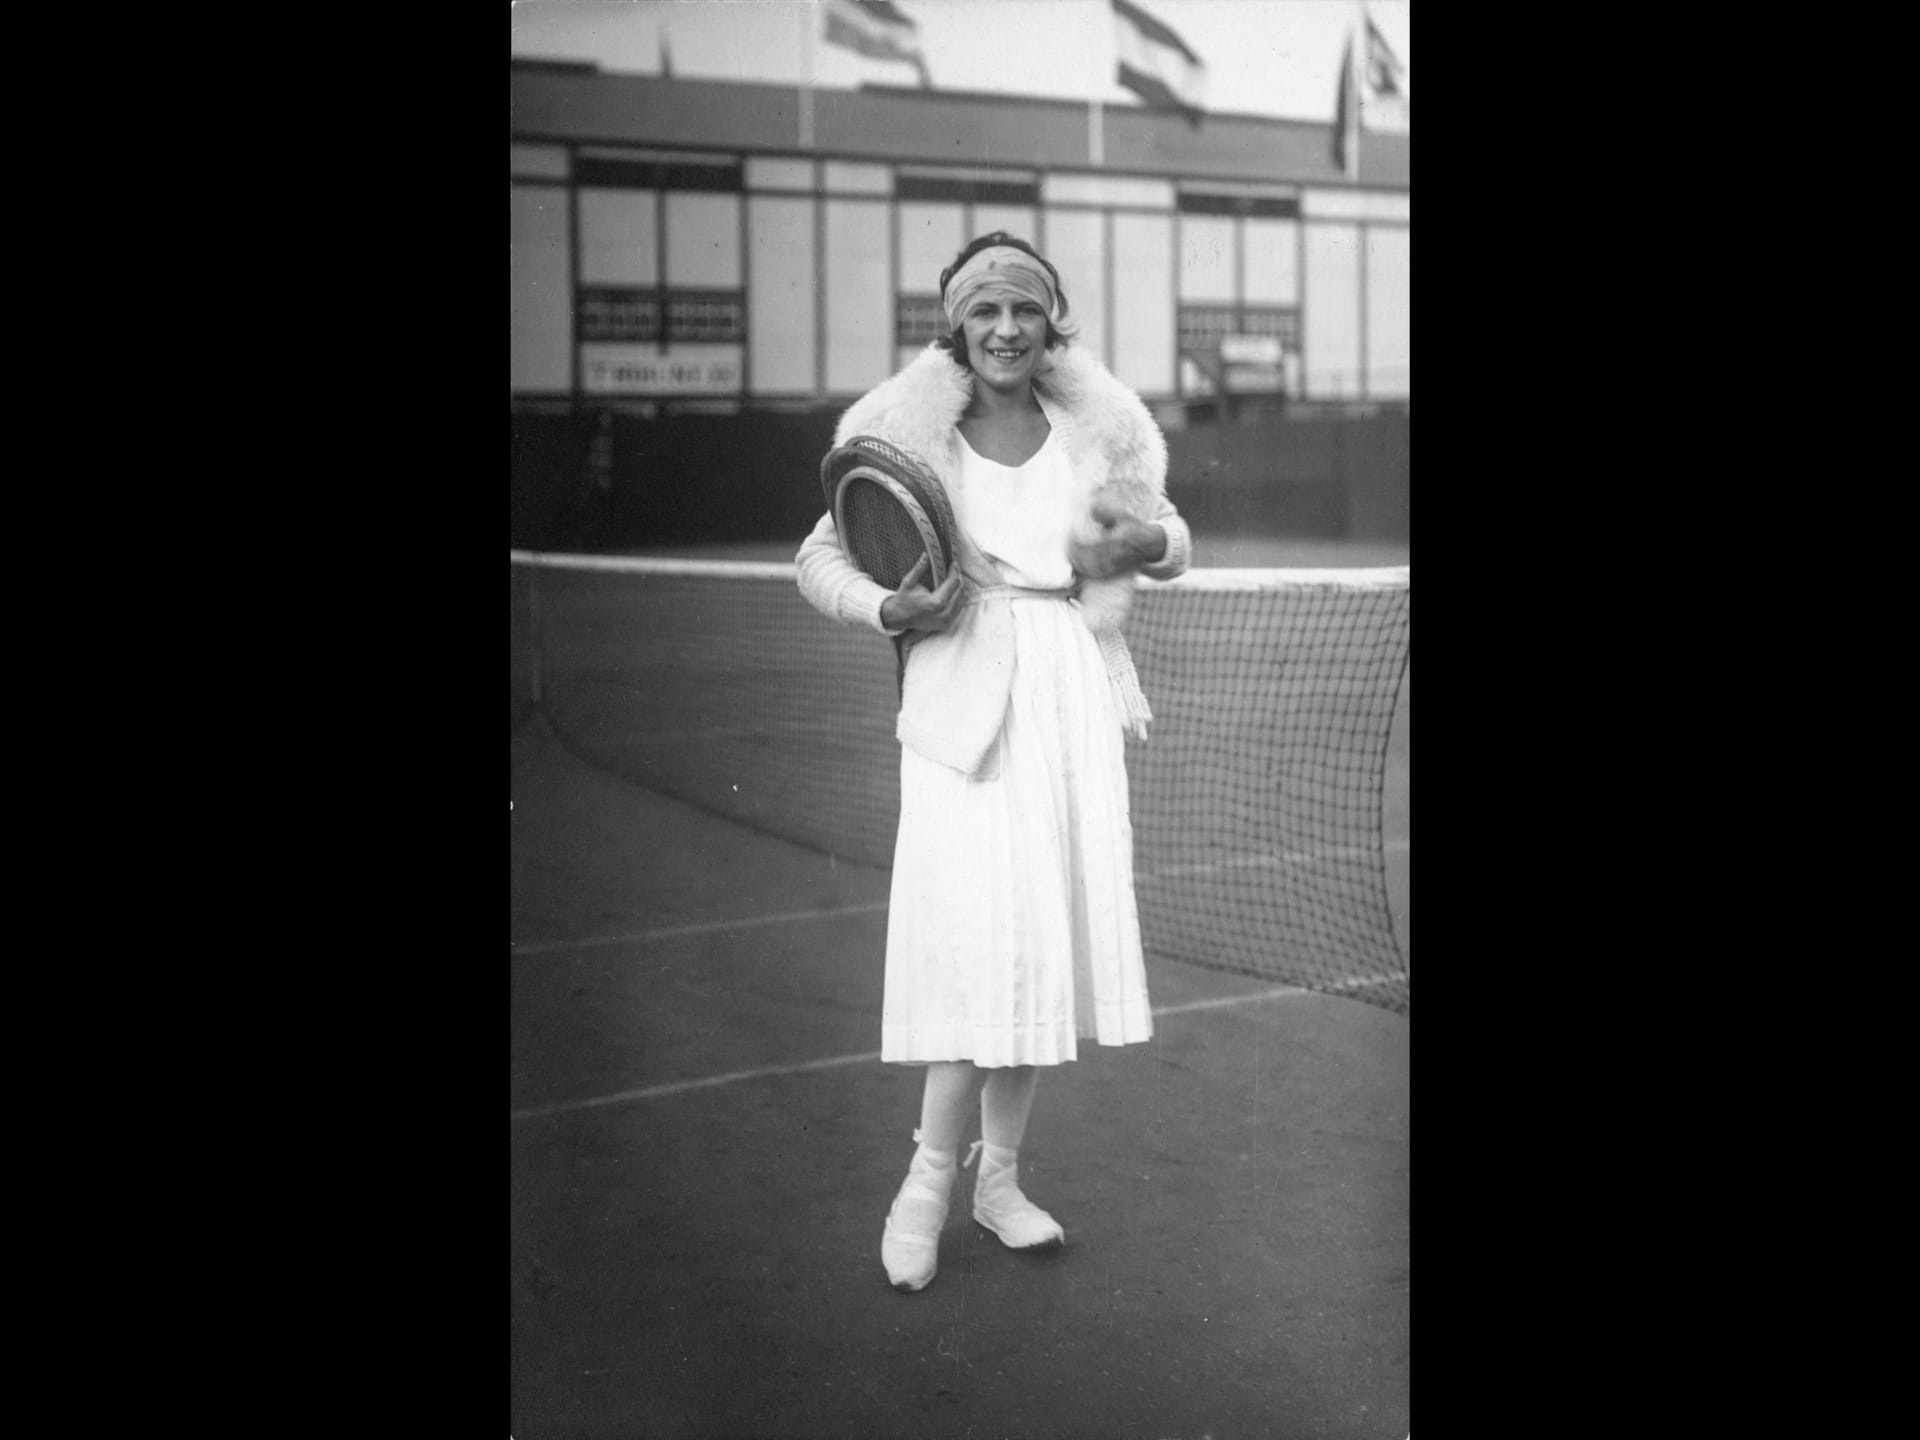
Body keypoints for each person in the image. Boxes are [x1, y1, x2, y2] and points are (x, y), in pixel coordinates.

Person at [795, 232, 1190, 1293]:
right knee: (980, 950)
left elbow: (1168, 534)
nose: (1006, 330)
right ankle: (924, 1186)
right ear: (957, 328)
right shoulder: (907, 438)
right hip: (965, 702)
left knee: (1036, 952)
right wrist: (891, 604)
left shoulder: (1093, 434)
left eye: (1024, 310)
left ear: (1049, 322)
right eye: (985, 313)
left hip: (1070, 692)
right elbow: (820, 556)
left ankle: (999, 1183)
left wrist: (1143, 547)